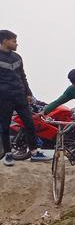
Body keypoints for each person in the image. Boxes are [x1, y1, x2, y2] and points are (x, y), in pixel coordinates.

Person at [0, 30, 43, 165]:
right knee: (5, 126)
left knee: (30, 123)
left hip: (20, 96)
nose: (16, 43)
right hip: (4, 98)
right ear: (5, 41)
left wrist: (28, 93)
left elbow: (22, 76)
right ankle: (8, 155)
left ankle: (35, 152)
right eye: (13, 41)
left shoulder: (17, 57)